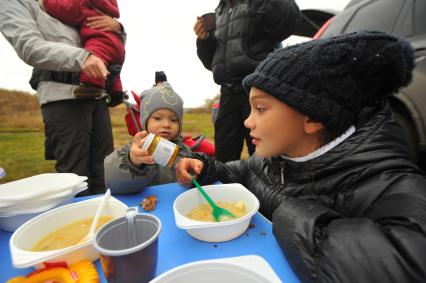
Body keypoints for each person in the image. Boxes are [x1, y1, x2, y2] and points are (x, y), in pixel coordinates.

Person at [175, 31, 426, 282]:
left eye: (260, 109)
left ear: (313, 116)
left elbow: (410, 259)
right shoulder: (277, 160)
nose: (247, 121)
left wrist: (289, 216)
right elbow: (241, 172)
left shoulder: (388, 181)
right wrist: (205, 167)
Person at [0, 0, 122, 195]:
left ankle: (107, 222)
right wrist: (82, 58)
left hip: (96, 95)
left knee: (105, 172)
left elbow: (100, 35)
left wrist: (118, 27)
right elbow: (29, 47)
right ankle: (80, 224)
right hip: (62, 98)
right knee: (75, 179)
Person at [194, 0, 300, 162]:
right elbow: (213, 63)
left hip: (258, 88)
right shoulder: (220, 10)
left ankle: (265, 187)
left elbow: (287, 23)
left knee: (264, 157)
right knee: (224, 157)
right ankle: (228, 187)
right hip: (228, 93)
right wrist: (204, 41)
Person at [104, 83, 191, 194]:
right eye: (158, 118)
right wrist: (132, 161)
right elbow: (113, 183)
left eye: (174, 120)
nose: (166, 124)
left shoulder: (185, 150)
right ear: (145, 121)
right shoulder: (135, 149)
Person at [38, 0, 125, 101]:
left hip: (100, 41)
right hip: (117, 44)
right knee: (109, 67)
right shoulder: (106, 7)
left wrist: (45, 2)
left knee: (94, 60)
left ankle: (92, 87)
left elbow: (67, 9)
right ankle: (116, 91)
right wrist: (119, 27)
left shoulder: (83, 3)